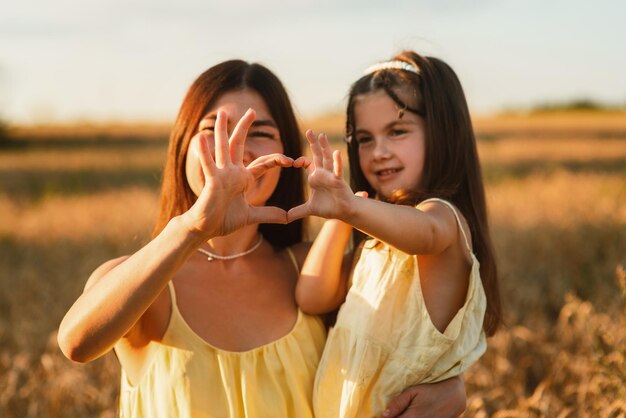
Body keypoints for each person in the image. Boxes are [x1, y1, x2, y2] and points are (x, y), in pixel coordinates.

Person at [58, 59, 467, 417]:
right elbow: (76, 343)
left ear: (288, 157)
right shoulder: (145, 280)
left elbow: (420, 327)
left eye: (260, 133)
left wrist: (452, 385)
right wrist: (191, 228)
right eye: (215, 129)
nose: (238, 151)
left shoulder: (314, 271)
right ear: (182, 148)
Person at [290, 50, 503, 417]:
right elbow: (311, 296)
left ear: (441, 133)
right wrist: (342, 216)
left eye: (397, 131)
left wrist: (352, 209)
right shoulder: (373, 243)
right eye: (365, 139)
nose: (379, 152)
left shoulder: (443, 219)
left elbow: (425, 234)